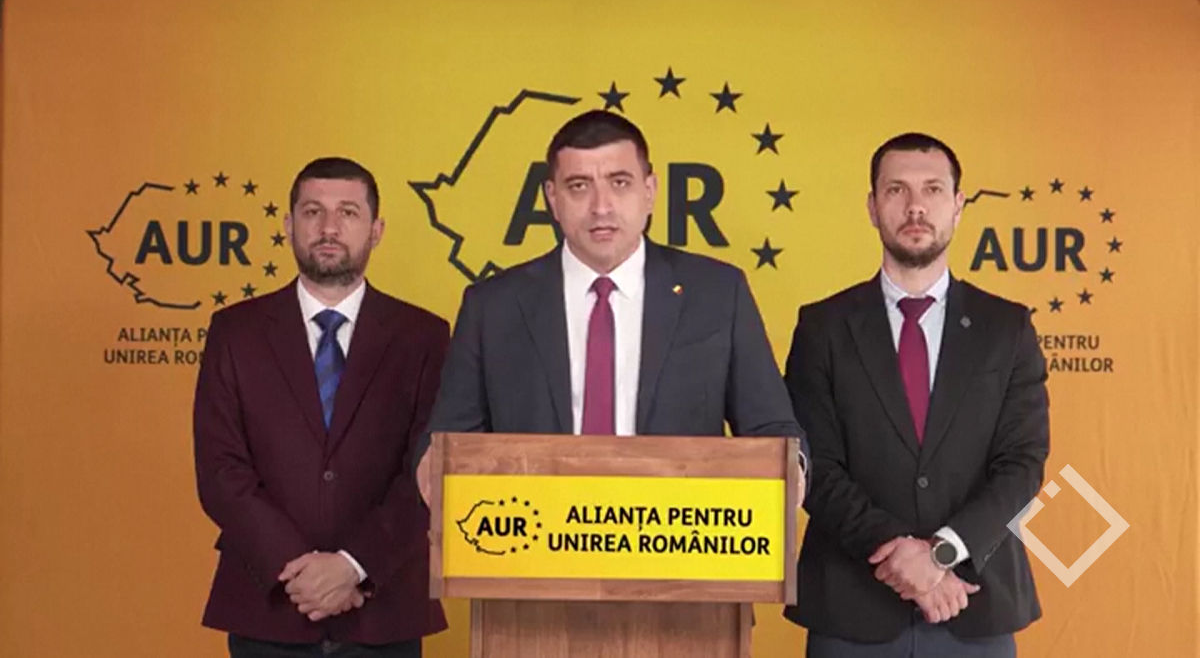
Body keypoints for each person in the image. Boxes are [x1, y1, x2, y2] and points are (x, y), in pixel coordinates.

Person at [415, 109, 808, 498]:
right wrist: (434, 473)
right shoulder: (493, 307)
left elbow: (773, 434)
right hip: (535, 532)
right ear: (552, 198)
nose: (601, 207)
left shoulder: (718, 293)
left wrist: (791, 477)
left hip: (678, 532)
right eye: (579, 186)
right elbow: (448, 444)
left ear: (649, 191)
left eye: (620, 183)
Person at [782, 133, 1050, 657]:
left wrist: (942, 554)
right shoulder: (822, 327)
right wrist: (902, 558)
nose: (915, 206)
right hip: (850, 610)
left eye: (932, 189)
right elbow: (815, 464)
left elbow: (1022, 463)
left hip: (974, 605)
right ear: (872, 207)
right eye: (896, 190)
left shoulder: (1007, 328)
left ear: (958, 205)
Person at [193, 157, 448, 658]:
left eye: (348, 213)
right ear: (289, 225)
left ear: (376, 230)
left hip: (383, 608)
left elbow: (430, 470)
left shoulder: (425, 336)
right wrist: (300, 572)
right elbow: (221, 470)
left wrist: (354, 566)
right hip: (268, 605)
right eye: (313, 212)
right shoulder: (235, 332)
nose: (329, 228)